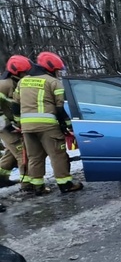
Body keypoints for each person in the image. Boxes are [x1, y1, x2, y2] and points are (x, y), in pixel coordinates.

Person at [12, 51, 83, 195]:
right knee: (58, 155)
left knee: (35, 157)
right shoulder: (53, 82)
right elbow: (59, 107)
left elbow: (15, 105)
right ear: (51, 68)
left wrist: (19, 124)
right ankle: (65, 184)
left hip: (27, 128)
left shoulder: (22, 81)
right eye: (57, 70)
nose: (57, 73)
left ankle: (38, 187)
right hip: (48, 127)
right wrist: (67, 125)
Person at [0, 55, 31, 189]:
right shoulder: (4, 85)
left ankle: (2, 178)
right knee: (22, 153)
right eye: (25, 72)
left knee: (11, 154)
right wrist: (7, 124)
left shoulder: (15, 83)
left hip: (11, 124)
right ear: (16, 72)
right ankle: (28, 184)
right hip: (5, 126)